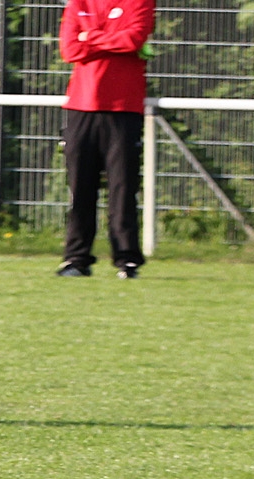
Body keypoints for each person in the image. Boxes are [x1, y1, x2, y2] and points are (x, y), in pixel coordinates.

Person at [56, 0, 155, 279]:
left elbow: (133, 40)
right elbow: (69, 49)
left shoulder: (139, 2)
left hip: (123, 109)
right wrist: (109, 39)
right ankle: (76, 259)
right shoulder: (79, 3)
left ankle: (127, 259)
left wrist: (90, 37)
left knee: (122, 187)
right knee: (80, 188)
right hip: (81, 108)